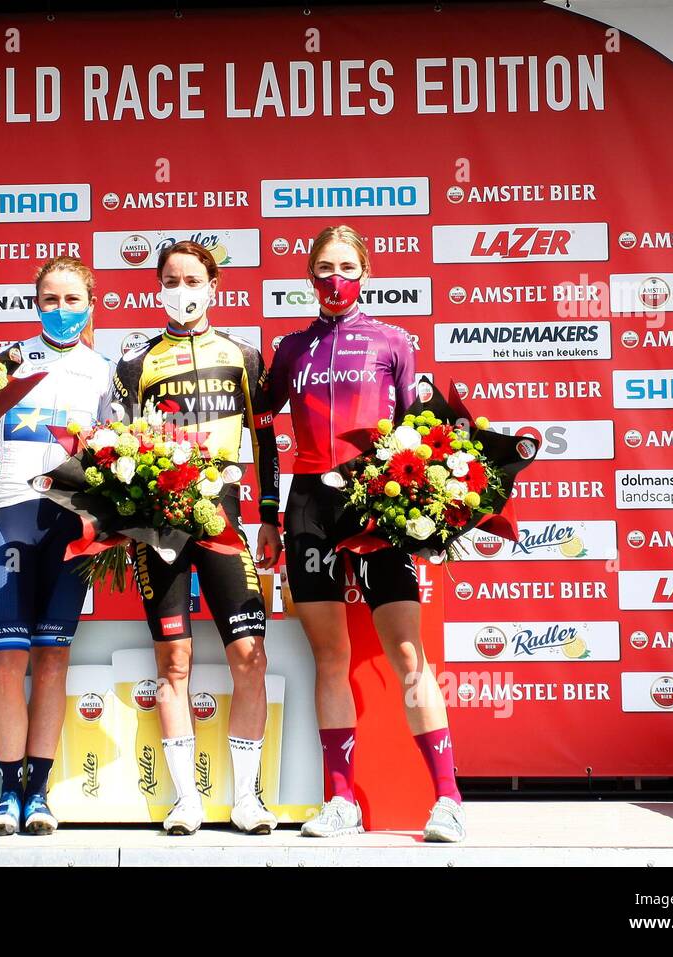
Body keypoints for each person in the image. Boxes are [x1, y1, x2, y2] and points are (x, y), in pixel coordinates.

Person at [260, 225, 465, 842]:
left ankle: (448, 800)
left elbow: (421, 432)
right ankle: (341, 801)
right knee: (331, 658)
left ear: (366, 272)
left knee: (409, 655)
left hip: (377, 503)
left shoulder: (394, 342)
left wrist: (427, 508)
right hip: (308, 509)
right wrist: (270, 514)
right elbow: (266, 432)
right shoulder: (290, 349)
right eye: (323, 268)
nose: (334, 279)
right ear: (308, 277)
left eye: (346, 267)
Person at [0, 256, 114, 836]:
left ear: (90, 303)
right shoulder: (7, 363)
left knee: (53, 657)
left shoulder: (103, 371)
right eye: (49, 302)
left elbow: (113, 453)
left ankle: (39, 793)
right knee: (7, 658)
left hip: (71, 523)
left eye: (71, 301)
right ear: (35, 305)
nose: (60, 311)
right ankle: (7, 795)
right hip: (11, 515)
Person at [113, 240, 283, 836]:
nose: (180, 290)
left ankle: (248, 800)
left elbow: (265, 446)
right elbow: (117, 447)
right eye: (169, 280)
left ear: (214, 287)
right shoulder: (135, 362)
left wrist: (270, 515)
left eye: (192, 279)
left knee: (250, 658)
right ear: (156, 286)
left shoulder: (243, 355)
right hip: (157, 529)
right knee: (174, 661)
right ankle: (186, 801)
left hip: (226, 525)